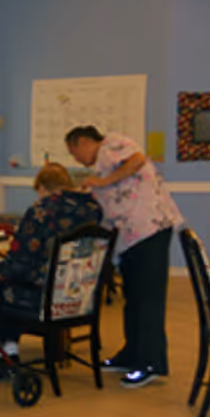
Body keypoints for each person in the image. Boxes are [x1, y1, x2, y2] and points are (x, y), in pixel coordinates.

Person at [66, 125, 183, 388]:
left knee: (148, 299)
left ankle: (151, 363)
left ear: (83, 141)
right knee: (133, 299)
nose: (76, 160)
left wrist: (102, 183)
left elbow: (138, 160)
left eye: (74, 152)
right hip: (130, 237)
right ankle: (132, 353)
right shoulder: (103, 166)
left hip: (149, 229)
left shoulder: (113, 144)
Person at [0, 163, 103, 362]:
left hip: (46, 296)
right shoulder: (92, 209)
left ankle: (4, 350)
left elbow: (20, 259)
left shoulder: (41, 211)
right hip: (81, 294)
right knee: (6, 285)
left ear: (43, 188)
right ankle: (8, 345)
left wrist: (1, 271)